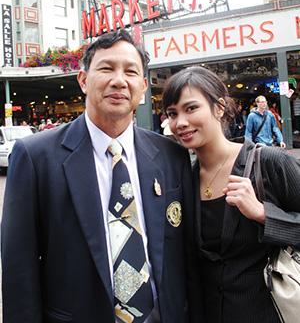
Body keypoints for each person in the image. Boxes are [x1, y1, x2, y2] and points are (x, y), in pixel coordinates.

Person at [1, 30, 199, 323]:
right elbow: (19, 269)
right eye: (106, 68)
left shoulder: (172, 155)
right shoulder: (36, 157)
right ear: (83, 80)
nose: (119, 80)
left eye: (130, 72)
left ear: (143, 87)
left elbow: (186, 256)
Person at [162, 66, 300, 323]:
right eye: (172, 113)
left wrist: (263, 214)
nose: (180, 122)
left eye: (191, 108)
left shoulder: (268, 162)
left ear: (219, 107)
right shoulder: (183, 182)